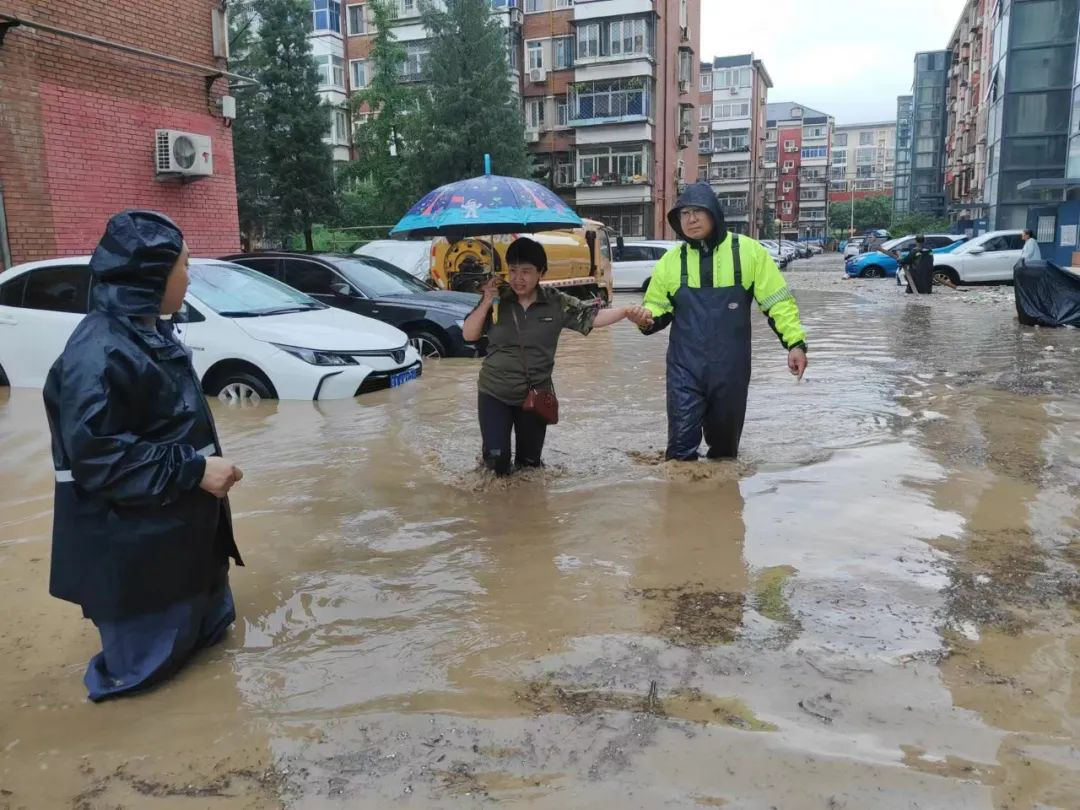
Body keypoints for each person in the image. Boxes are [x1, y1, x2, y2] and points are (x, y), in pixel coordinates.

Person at [44, 210, 245, 702]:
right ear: (152, 275)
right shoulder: (98, 352)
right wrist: (194, 469)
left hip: (185, 543)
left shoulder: (147, 331)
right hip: (139, 557)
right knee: (140, 684)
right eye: (184, 264)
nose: (189, 274)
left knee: (207, 655)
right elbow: (98, 458)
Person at [639, 183, 808, 461]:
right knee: (680, 450)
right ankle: (682, 501)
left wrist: (795, 343)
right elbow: (656, 307)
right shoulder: (670, 262)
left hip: (731, 368)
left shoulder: (750, 253)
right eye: (684, 214)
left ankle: (723, 501)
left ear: (714, 213)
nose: (690, 219)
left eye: (697, 212)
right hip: (684, 369)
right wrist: (645, 318)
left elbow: (778, 301)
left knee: (725, 453)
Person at [462, 237, 652, 475]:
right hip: (494, 392)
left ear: (541, 272)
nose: (518, 278)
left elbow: (591, 317)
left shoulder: (555, 302)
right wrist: (487, 301)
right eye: (513, 271)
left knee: (530, 466)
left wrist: (626, 311)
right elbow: (469, 335)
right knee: (496, 461)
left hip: (535, 394)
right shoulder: (497, 300)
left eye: (526, 272)